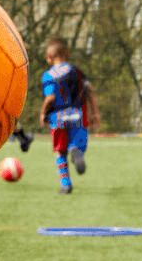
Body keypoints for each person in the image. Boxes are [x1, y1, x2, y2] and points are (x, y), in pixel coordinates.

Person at [38, 37, 99, 194]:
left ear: (49, 56)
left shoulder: (48, 75)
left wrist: (43, 112)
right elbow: (90, 91)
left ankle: (66, 184)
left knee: (60, 151)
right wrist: (95, 113)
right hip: (77, 115)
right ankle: (76, 150)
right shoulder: (76, 71)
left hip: (57, 118)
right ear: (67, 54)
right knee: (77, 144)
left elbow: (50, 97)